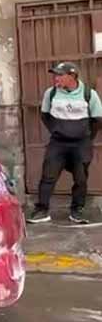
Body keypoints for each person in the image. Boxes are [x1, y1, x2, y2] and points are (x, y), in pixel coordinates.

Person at [29, 62, 102, 225]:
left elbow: (98, 119)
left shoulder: (89, 94)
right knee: (48, 176)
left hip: (81, 144)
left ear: (72, 76)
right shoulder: (52, 93)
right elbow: (45, 115)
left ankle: (77, 210)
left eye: (60, 75)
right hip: (58, 143)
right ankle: (42, 210)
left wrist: (86, 137)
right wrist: (58, 130)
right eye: (55, 75)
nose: (56, 78)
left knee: (80, 178)